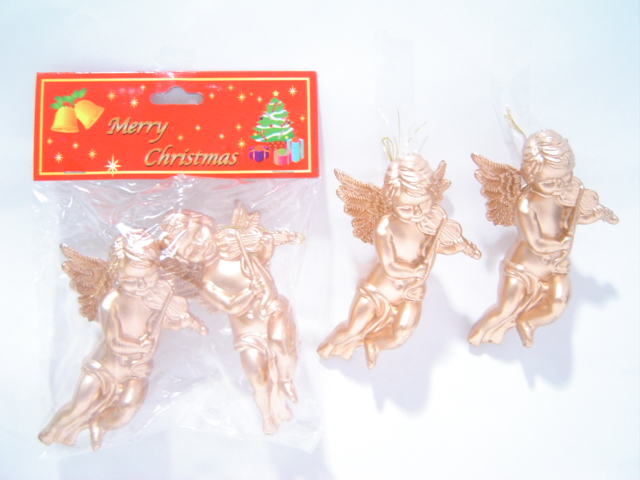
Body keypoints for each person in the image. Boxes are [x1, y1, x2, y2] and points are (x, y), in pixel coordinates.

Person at [39, 230, 205, 450]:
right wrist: (139, 347)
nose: (141, 286)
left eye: (149, 278)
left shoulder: (152, 298)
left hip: (137, 369)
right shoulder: (112, 302)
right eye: (131, 281)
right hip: (105, 367)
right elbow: (115, 342)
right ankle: (52, 431)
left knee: (127, 410)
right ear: (116, 274)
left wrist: (183, 322)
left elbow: (162, 323)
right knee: (78, 407)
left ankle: (98, 424)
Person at [319, 154, 480, 368]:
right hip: (377, 291)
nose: (415, 212)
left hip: (410, 292)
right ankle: (327, 349)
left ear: (432, 196)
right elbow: (391, 266)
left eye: (422, 204)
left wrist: (456, 247)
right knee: (352, 328)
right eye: (405, 207)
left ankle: (373, 343)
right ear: (390, 201)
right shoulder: (385, 226)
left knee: (401, 334)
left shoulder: (429, 222)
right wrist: (416, 272)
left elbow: (432, 249)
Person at [468, 130, 618, 347]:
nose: (559, 186)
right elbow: (536, 242)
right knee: (505, 309)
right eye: (549, 182)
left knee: (558, 303)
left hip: (555, 267)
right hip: (523, 268)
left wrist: (595, 215)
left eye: (565, 178)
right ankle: (477, 336)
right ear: (528, 176)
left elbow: (569, 221)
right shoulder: (526, 204)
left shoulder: (563, 196)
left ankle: (528, 322)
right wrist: (560, 244)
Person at [160, 206, 298, 434]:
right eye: (190, 249)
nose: (200, 244)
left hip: (273, 310)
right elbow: (232, 306)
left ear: (208, 224)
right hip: (247, 332)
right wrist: (251, 290)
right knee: (257, 376)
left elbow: (263, 259)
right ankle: (267, 416)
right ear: (183, 259)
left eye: (198, 234)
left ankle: (285, 381)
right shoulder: (205, 282)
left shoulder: (236, 250)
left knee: (280, 344)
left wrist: (268, 244)